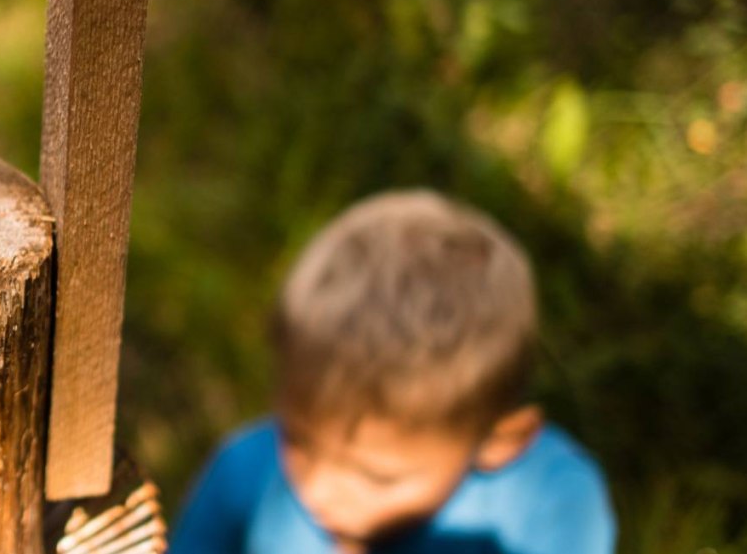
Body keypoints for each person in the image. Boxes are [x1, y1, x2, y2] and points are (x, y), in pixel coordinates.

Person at [172, 190, 615, 553]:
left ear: (501, 439)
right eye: (299, 439)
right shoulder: (242, 473)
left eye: (376, 477)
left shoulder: (554, 501)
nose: (319, 490)